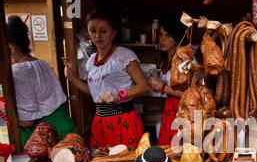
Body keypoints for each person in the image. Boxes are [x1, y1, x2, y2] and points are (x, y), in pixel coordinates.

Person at [63, 10, 150, 149]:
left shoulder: (124, 55)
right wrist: (71, 78)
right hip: (100, 122)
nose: (97, 36)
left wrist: (119, 94)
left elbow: (144, 86)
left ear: (113, 33)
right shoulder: (91, 61)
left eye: (103, 31)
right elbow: (94, 93)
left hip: (123, 120)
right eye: (93, 31)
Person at [6, 15, 75, 147]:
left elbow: (28, 121)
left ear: (10, 48)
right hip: (65, 129)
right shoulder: (40, 62)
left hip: (49, 138)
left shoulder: (18, 71)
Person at [148, 19, 188, 146]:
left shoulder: (184, 59)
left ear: (176, 38)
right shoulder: (165, 61)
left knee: (178, 146)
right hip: (170, 107)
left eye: (168, 36)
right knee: (168, 146)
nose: (162, 39)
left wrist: (162, 87)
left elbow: (190, 93)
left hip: (182, 108)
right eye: (160, 35)